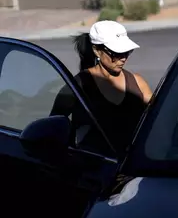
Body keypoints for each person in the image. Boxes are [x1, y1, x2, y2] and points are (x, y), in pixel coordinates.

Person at [53, 20, 153, 158]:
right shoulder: (78, 85)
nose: (123, 58)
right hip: (93, 170)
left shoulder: (138, 82)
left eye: (127, 52)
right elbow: (53, 125)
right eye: (116, 53)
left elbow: (160, 115)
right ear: (97, 51)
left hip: (133, 167)